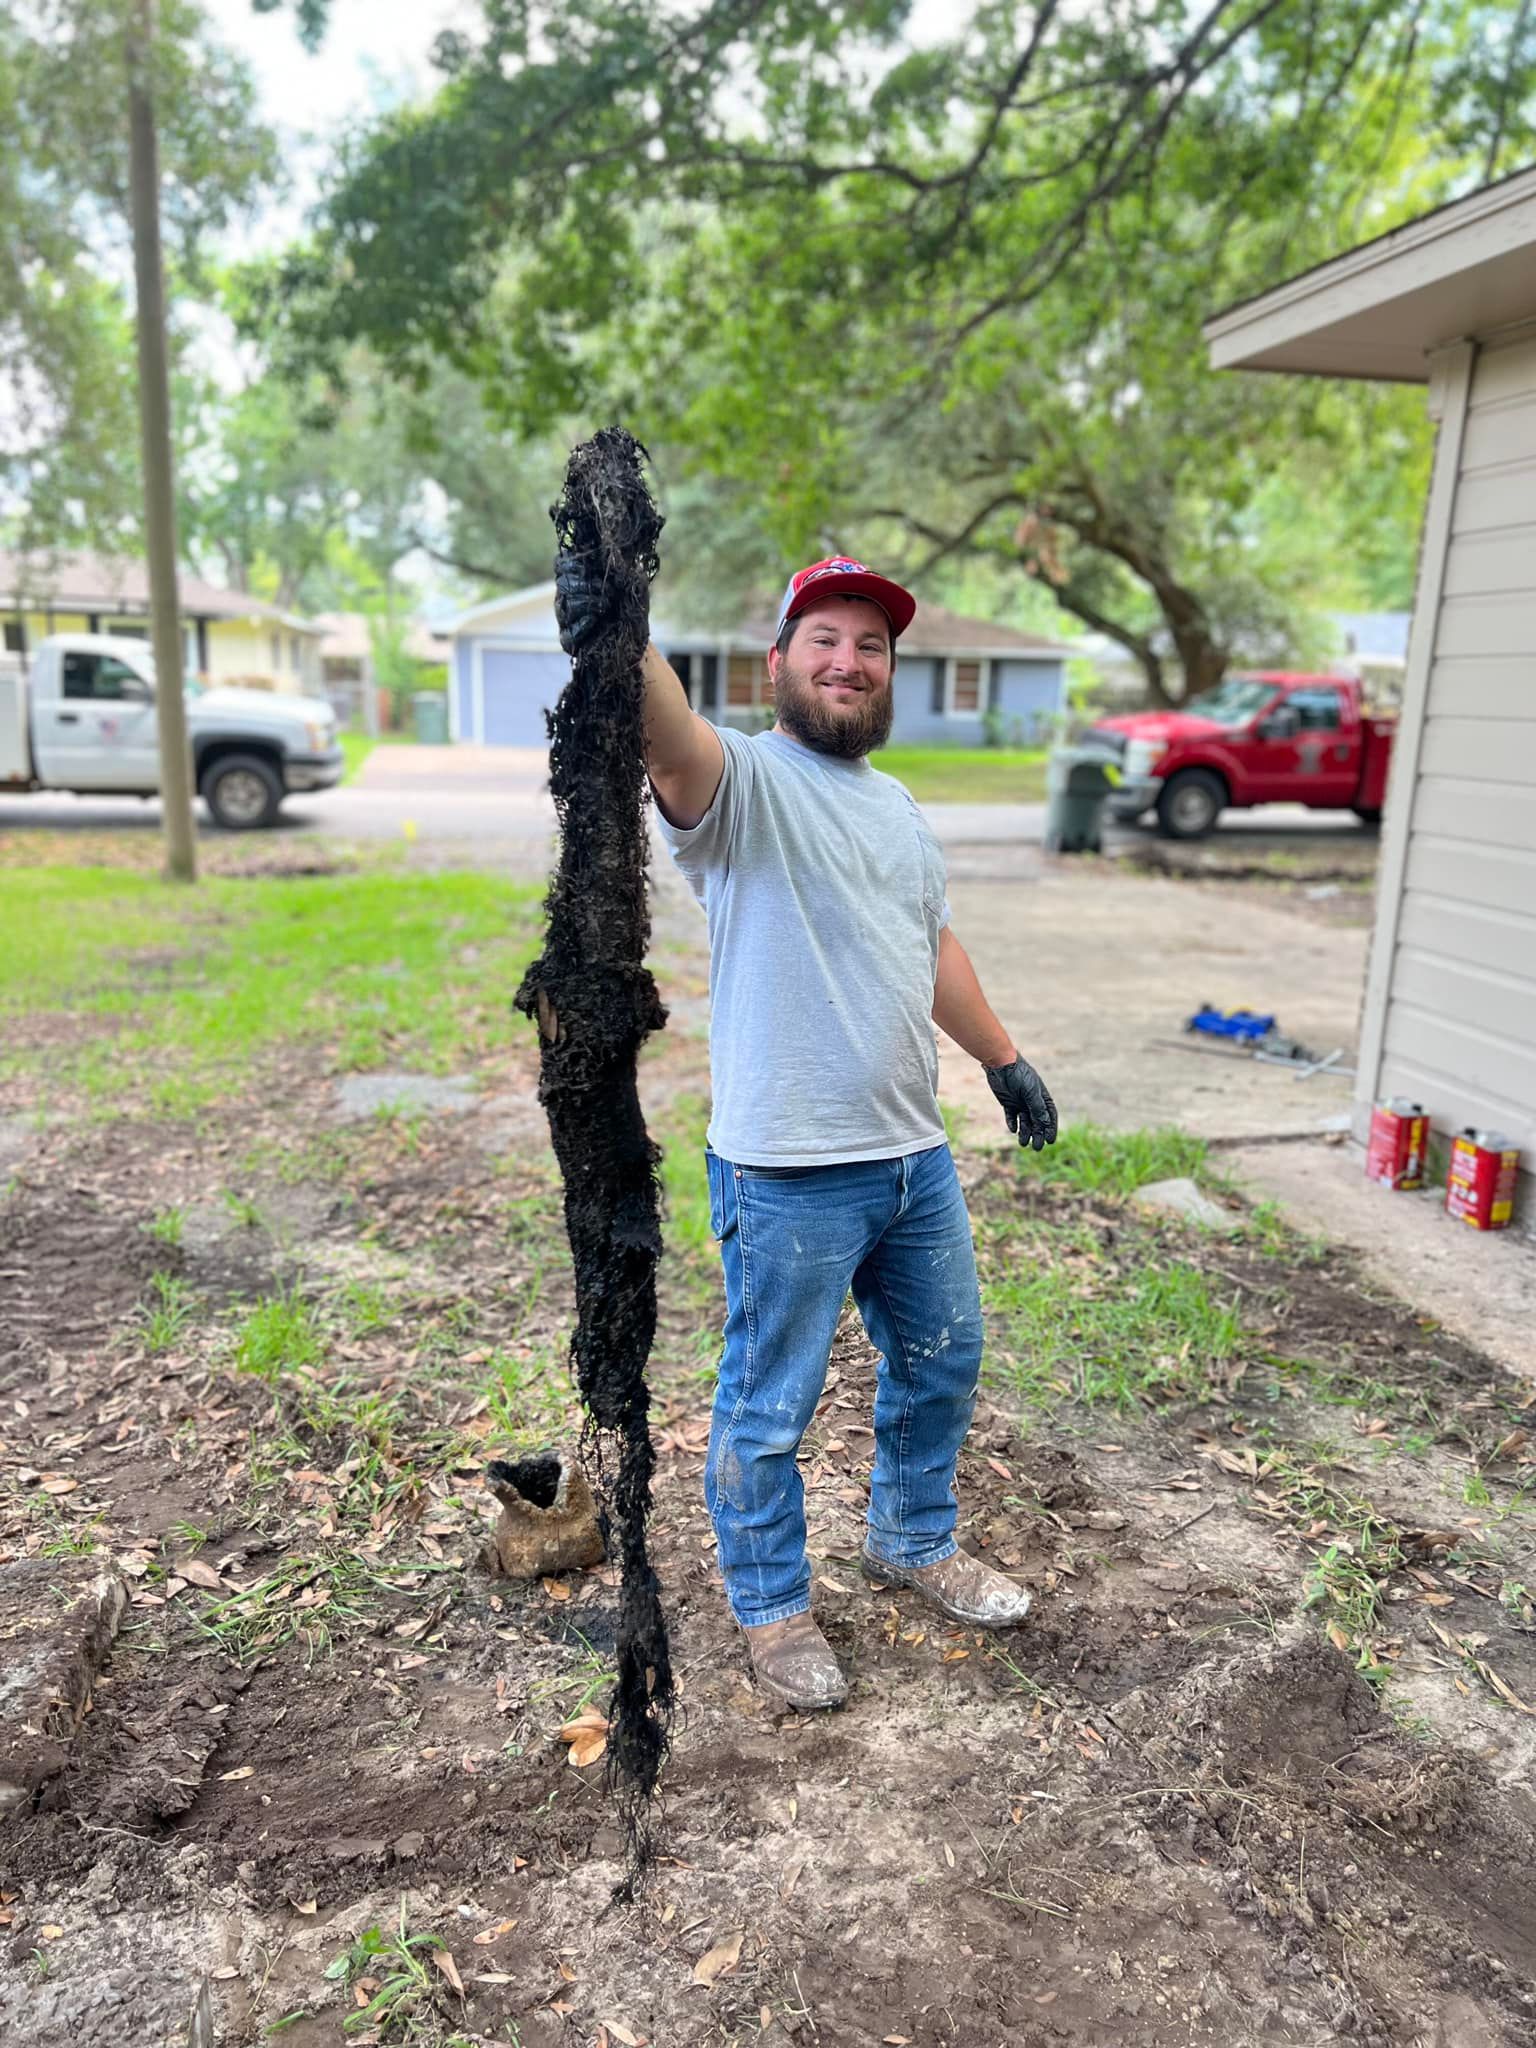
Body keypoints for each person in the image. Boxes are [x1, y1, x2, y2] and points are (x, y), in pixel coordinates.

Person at [553, 550, 1058, 1712]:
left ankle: (912, 1537)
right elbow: (668, 733)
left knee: (943, 1361)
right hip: (787, 1170)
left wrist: (1005, 1058)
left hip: (911, 1159)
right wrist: (623, 637)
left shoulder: (898, 808)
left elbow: (931, 947)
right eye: (823, 638)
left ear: (889, 674)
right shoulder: (744, 786)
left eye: (870, 644)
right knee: (768, 1403)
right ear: (779, 662)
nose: (848, 659)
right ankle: (772, 1603)